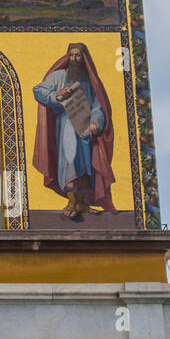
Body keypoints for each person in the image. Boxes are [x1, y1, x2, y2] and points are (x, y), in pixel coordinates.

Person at [32, 42, 116, 219]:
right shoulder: (59, 76)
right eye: (72, 55)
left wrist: (96, 122)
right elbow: (39, 90)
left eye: (78, 55)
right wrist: (56, 95)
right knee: (70, 162)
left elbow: (98, 104)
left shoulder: (90, 81)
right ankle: (71, 202)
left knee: (86, 166)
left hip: (85, 129)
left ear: (84, 57)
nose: (75, 59)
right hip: (67, 127)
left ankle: (83, 204)